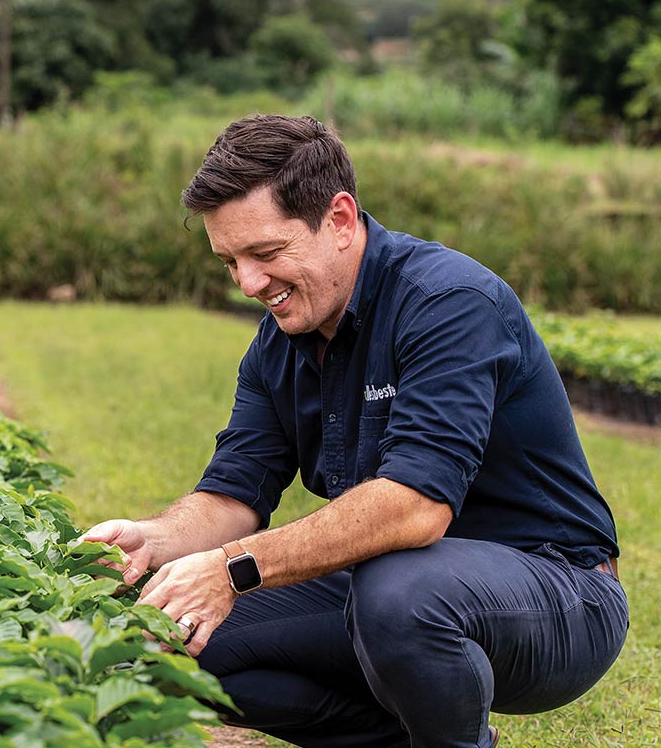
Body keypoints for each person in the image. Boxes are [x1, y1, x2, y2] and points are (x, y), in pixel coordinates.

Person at [83, 114, 627, 748]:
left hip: (558, 593)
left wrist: (233, 569)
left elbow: (415, 509)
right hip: (389, 588)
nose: (249, 284)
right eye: (230, 261)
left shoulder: (448, 303)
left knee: (398, 593)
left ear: (339, 219)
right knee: (164, 639)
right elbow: (234, 494)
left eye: (265, 253)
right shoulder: (279, 345)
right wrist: (154, 539)